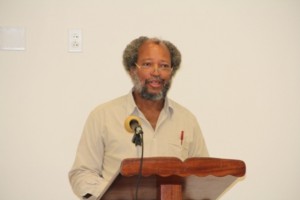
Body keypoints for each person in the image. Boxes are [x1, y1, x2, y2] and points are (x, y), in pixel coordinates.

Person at [68, 36, 209, 200]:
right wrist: (113, 196)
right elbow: (82, 173)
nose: (156, 72)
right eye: (148, 64)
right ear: (132, 69)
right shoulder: (103, 116)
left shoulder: (187, 120)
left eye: (164, 66)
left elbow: (203, 176)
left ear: (171, 72)